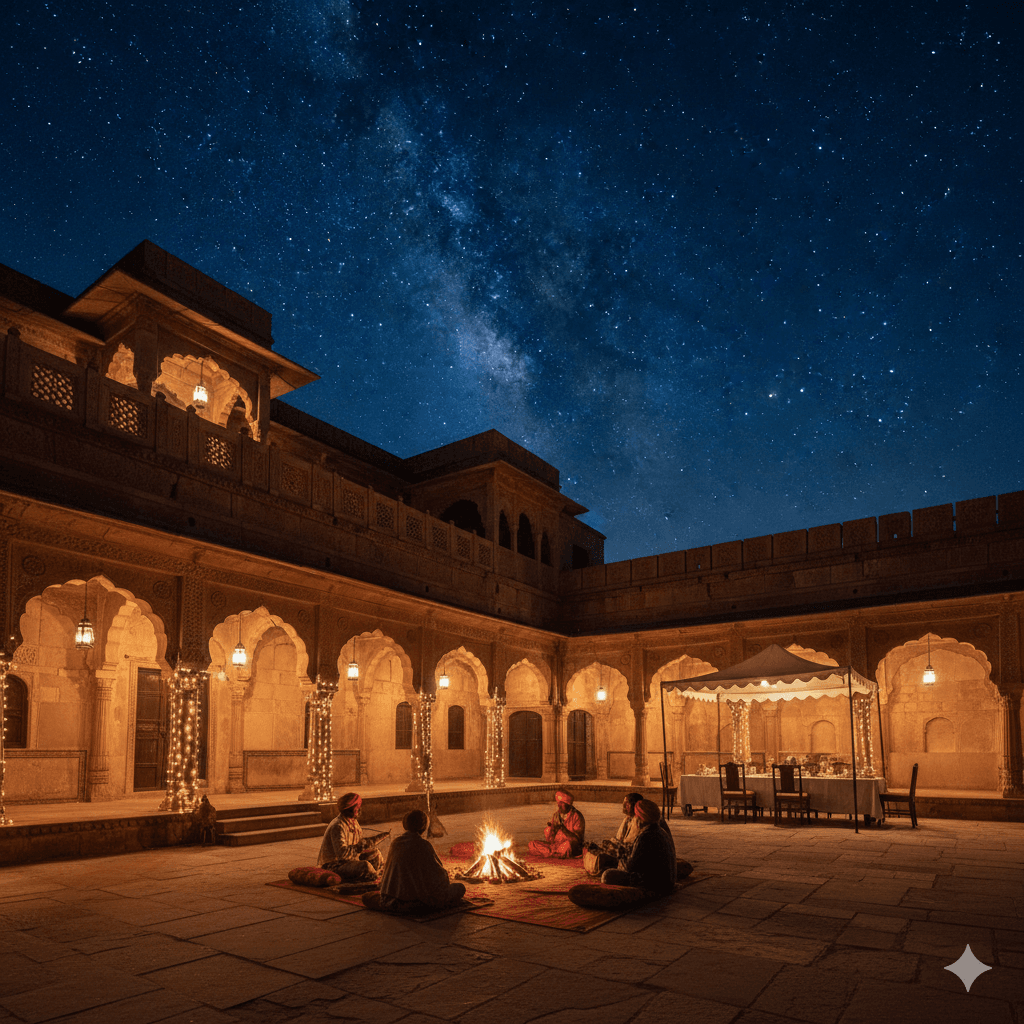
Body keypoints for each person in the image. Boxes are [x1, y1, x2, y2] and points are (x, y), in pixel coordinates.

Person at [363, 809, 466, 914]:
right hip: (414, 903)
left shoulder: (395, 843)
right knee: (460, 888)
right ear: (423, 827)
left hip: (390, 901)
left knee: (367, 897)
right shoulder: (423, 845)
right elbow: (439, 876)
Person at [601, 798, 676, 896]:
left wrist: (618, 854)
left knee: (607, 875)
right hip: (668, 882)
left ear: (640, 819)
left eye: (636, 816)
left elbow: (631, 867)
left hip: (655, 884)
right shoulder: (660, 831)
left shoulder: (646, 835)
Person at [317, 792, 386, 881]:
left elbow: (357, 845)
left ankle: (373, 876)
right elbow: (342, 855)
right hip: (333, 865)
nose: (359, 810)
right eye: (357, 807)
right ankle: (376, 879)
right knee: (365, 865)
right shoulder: (337, 826)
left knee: (376, 854)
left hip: (348, 861)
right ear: (349, 809)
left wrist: (369, 846)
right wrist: (362, 846)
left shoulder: (353, 822)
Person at [584, 791, 643, 875]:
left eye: (626, 804)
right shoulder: (627, 819)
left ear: (635, 806)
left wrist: (612, 846)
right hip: (623, 850)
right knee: (591, 850)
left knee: (601, 859)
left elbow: (629, 847)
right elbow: (619, 839)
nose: (623, 806)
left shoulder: (639, 822)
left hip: (628, 856)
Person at [528, 789, 586, 858]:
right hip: (556, 846)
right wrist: (551, 830)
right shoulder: (556, 815)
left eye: (562, 803)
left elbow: (577, 840)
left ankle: (551, 853)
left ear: (568, 804)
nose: (559, 806)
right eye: (558, 803)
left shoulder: (577, 816)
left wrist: (562, 828)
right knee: (532, 844)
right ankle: (554, 853)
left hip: (569, 845)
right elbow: (550, 841)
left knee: (567, 846)